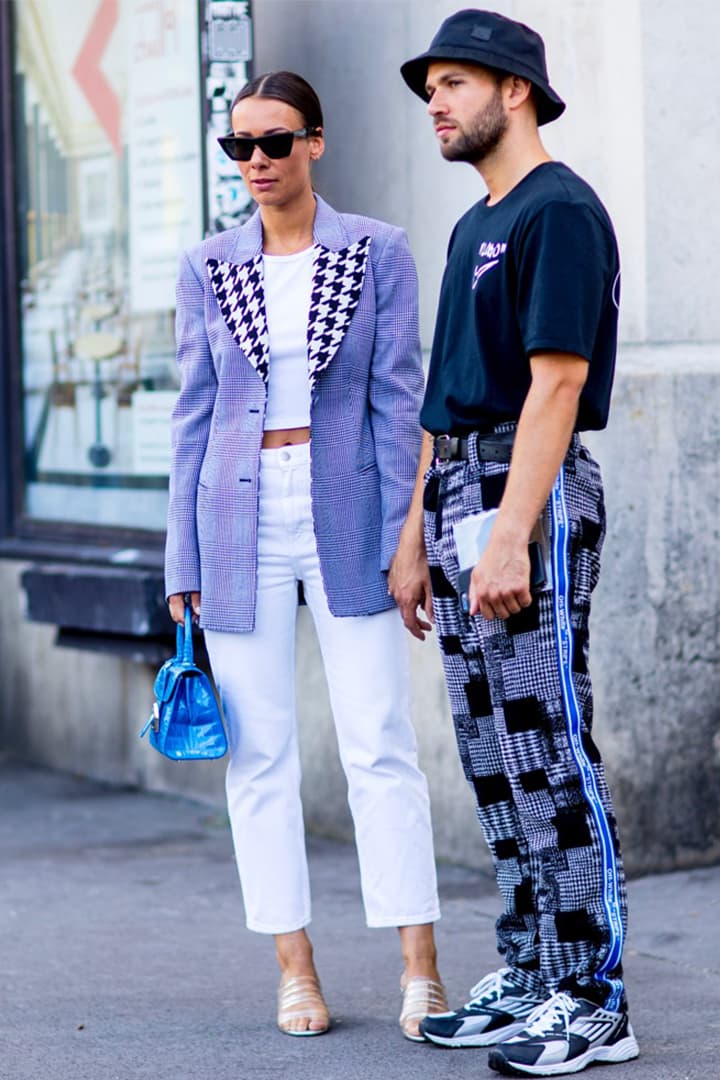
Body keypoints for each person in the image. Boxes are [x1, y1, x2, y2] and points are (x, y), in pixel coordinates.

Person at [164, 70, 446, 1041]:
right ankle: (297, 969)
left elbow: (402, 405)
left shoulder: (378, 252)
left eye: (274, 143)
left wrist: (411, 537)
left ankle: (421, 969)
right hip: (235, 522)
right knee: (260, 756)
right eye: (238, 147)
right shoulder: (208, 266)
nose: (255, 163)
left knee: (379, 743)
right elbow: (193, 418)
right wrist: (179, 565)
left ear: (315, 142)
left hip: (351, 510)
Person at [390, 10, 639, 1076]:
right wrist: (415, 540)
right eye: (429, 87)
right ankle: (533, 974)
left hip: (521, 494)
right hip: (458, 492)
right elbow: (441, 409)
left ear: (517, 89)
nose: (435, 103)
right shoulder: (471, 225)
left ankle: (594, 1000)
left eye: (451, 83)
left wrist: (511, 536)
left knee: (550, 756)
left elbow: (560, 381)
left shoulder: (558, 211)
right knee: (494, 763)